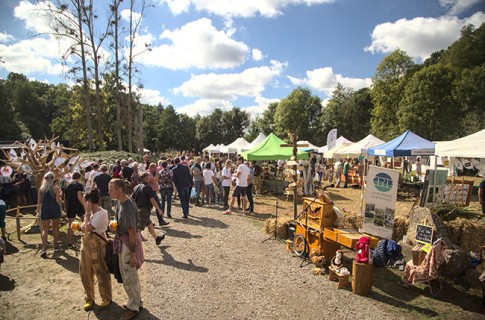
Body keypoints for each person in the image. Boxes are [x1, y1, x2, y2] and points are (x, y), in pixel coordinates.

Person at [109, 179, 143, 320]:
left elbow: (132, 232)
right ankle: (137, 302)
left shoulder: (127, 206)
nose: (109, 192)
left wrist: (133, 254)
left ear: (120, 190)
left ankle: (133, 307)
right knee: (130, 274)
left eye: (111, 189)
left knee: (129, 274)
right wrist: (114, 227)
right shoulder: (119, 202)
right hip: (123, 240)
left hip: (129, 244)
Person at [79, 188, 112, 311]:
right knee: (84, 271)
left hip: (97, 244)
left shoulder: (102, 213)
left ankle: (106, 297)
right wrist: (84, 220)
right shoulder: (90, 213)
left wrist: (87, 215)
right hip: (85, 244)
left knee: (101, 270)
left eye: (85, 202)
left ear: (89, 202)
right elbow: (83, 227)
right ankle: (89, 297)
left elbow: (88, 227)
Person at [131, 172, 168, 243]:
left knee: (150, 225)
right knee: (138, 229)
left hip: (137, 209)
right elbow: (152, 200)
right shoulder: (148, 187)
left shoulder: (136, 187)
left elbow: (132, 199)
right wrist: (159, 209)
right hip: (144, 211)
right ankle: (133, 245)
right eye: (149, 177)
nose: (150, 178)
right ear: (146, 178)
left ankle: (157, 238)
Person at [37, 172, 62, 257]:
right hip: (54, 208)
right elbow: (58, 201)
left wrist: (38, 211)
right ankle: (56, 246)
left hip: (45, 208)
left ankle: (44, 248)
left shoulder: (41, 189)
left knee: (45, 229)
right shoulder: (56, 188)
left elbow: (39, 202)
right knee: (55, 228)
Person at [64, 172, 85, 248]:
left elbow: (65, 197)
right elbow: (79, 196)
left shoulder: (67, 185)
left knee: (70, 224)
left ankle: (69, 241)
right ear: (79, 178)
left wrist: (65, 206)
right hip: (77, 205)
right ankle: (87, 236)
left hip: (70, 205)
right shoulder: (79, 186)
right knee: (84, 220)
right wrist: (84, 204)